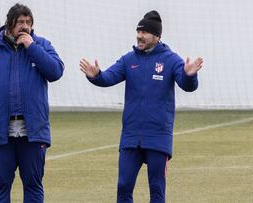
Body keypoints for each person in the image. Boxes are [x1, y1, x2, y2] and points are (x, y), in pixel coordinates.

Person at [80, 10, 203, 203]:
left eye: (144, 32)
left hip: (158, 137)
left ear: (157, 36)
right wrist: (96, 75)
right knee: (123, 187)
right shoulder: (129, 60)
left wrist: (189, 75)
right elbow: (108, 78)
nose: (139, 36)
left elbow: (188, 86)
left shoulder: (171, 59)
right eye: (138, 31)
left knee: (156, 189)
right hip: (131, 137)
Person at [0, 3, 64, 203]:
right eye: (20, 22)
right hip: (0, 133)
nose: (25, 26)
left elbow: (55, 72)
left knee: (33, 186)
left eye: (28, 22)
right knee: (0, 187)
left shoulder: (41, 45)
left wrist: (32, 47)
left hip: (33, 133)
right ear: (9, 24)